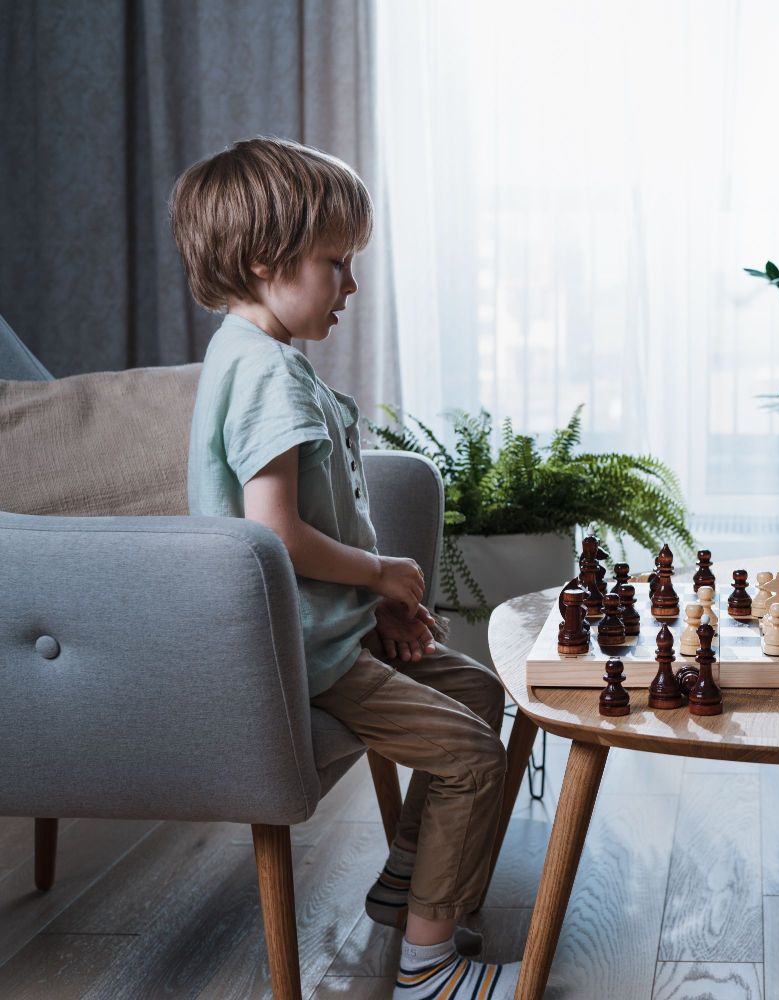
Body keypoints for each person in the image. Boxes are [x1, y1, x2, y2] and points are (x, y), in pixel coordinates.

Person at [175, 137, 513, 999]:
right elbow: (276, 535)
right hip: (300, 660)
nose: (352, 286)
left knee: (476, 691)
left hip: (325, 637)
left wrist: (373, 608)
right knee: (474, 758)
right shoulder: (268, 379)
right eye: (338, 263)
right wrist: (381, 573)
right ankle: (427, 963)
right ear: (265, 261)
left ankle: (410, 885)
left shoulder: (249, 356)